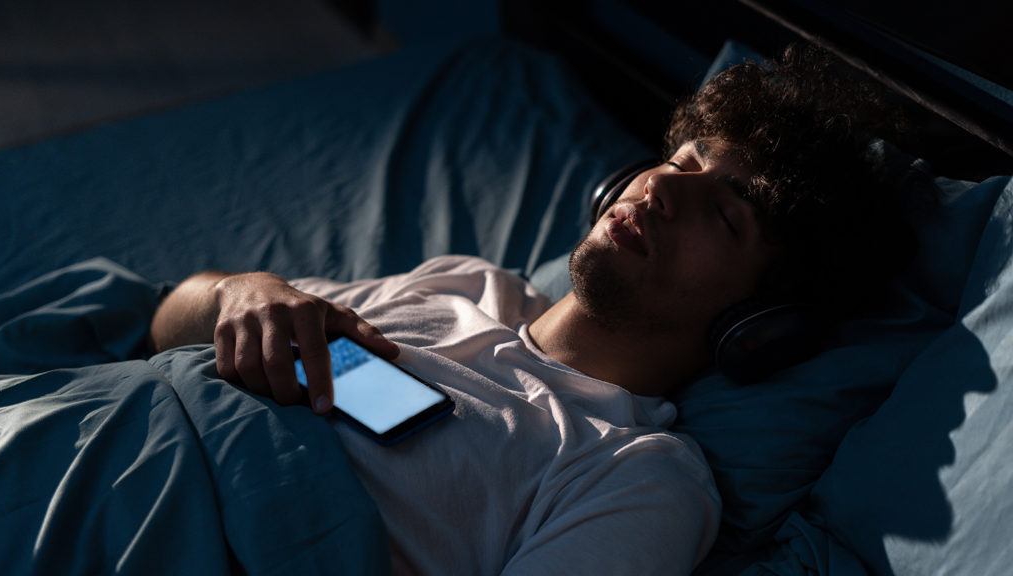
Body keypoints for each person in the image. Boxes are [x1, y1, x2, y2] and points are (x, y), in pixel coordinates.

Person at [149, 45, 912, 575]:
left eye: (726, 213)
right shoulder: (463, 285)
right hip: (101, 427)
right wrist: (244, 292)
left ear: (762, 324)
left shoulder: (636, 476)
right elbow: (162, 326)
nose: (663, 189)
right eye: (682, 162)